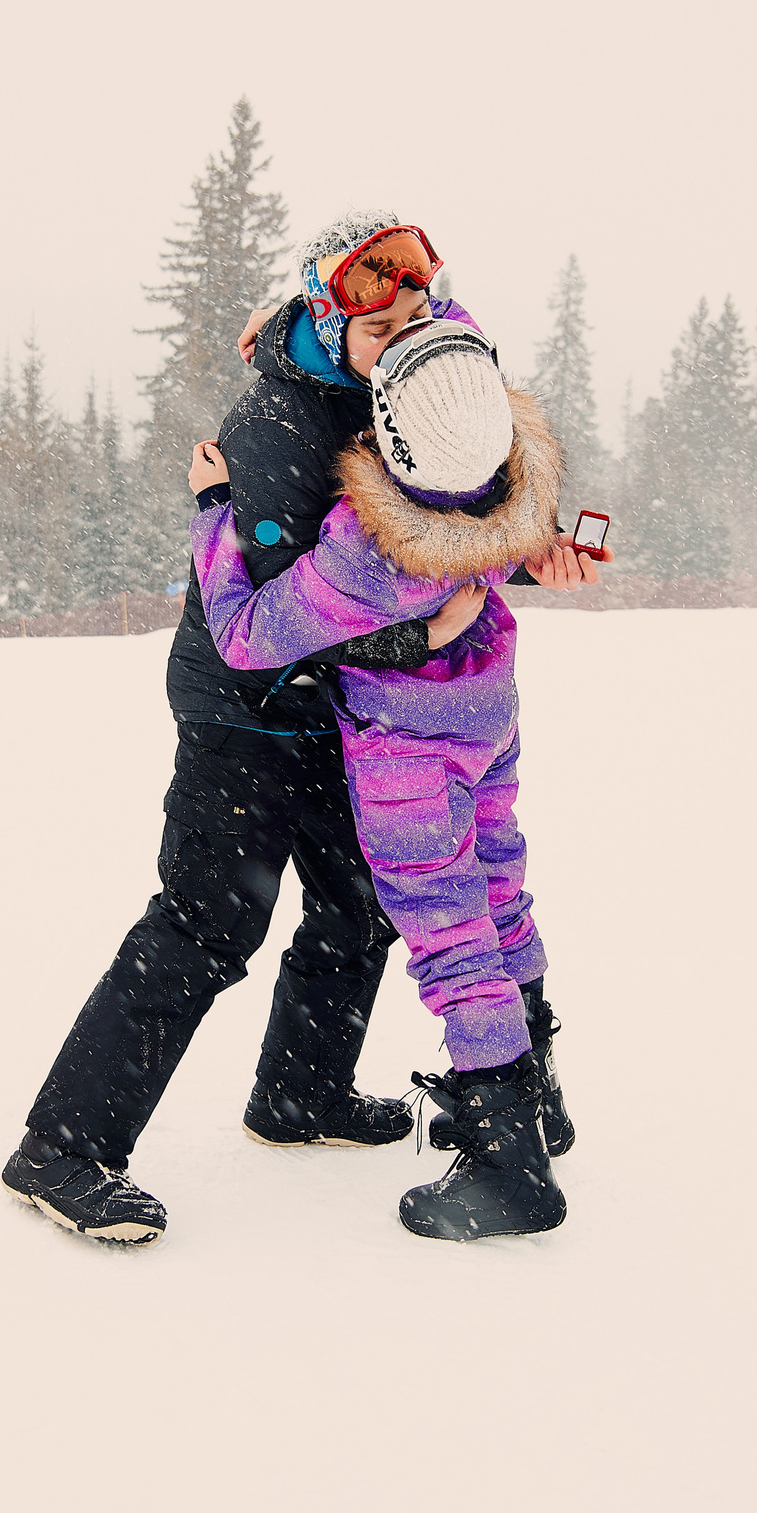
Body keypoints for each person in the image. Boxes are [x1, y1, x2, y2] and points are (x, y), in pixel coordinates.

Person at [3, 211, 600, 1244]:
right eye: (382, 326)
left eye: (420, 309)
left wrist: (515, 551)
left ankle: (300, 1094)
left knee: (359, 900)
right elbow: (262, 628)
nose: (411, 335)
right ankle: (64, 1148)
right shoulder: (275, 441)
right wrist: (422, 646)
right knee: (208, 922)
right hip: (245, 709)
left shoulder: (416, 351)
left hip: (341, 706)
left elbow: (443, 501)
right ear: (329, 323)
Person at [189, 317, 571, 1240]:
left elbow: (244, 634)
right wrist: (297, 312)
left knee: (450, 935)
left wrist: (214, 512)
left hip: (407, 750)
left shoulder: (366, 548)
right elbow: (450, 350)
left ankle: (504, 1154)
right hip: (487, 716)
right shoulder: (502, 481)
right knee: (500, 895)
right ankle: (539, 1095)